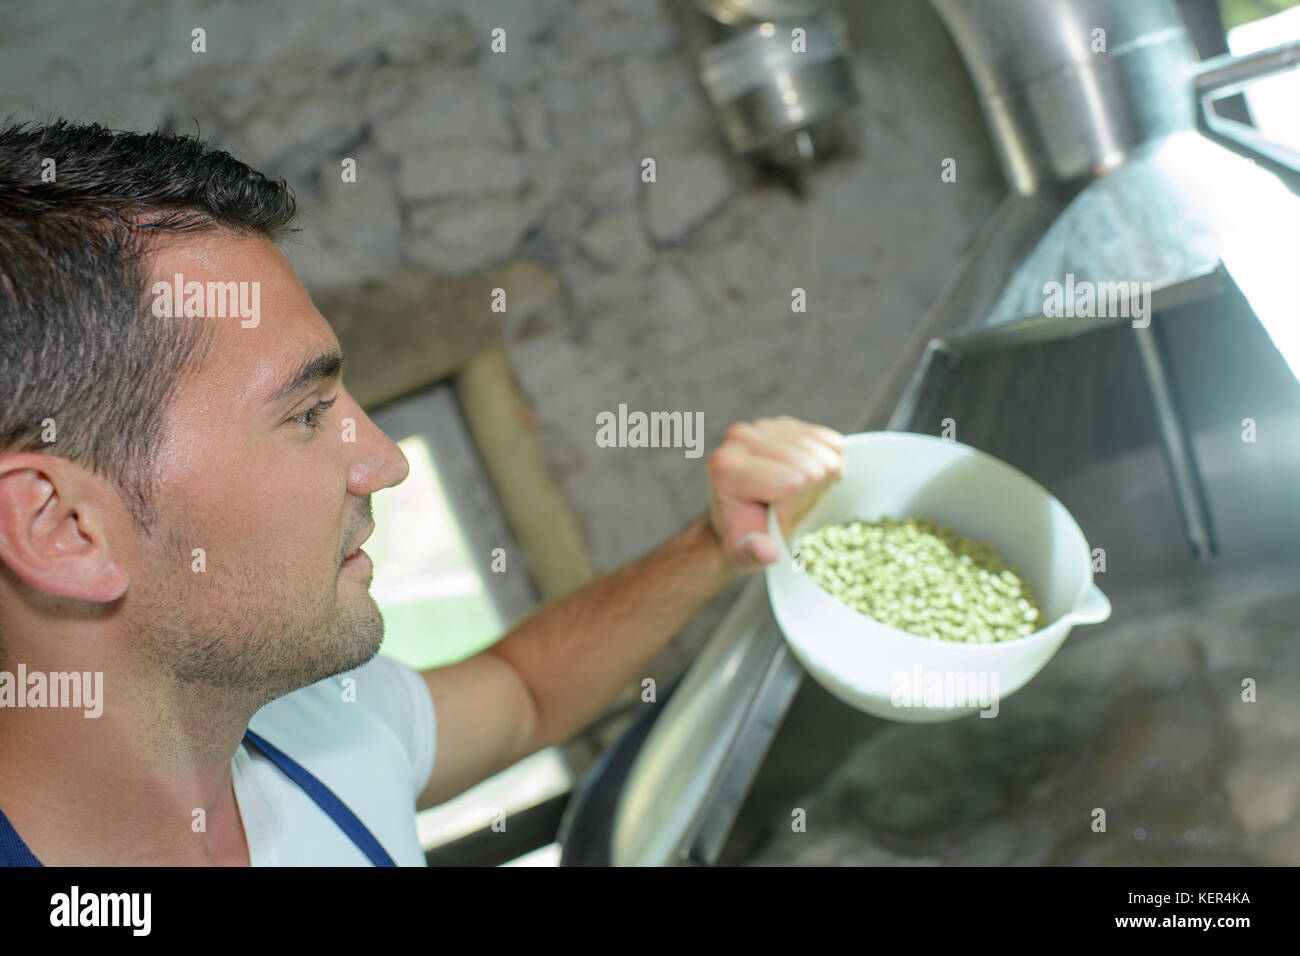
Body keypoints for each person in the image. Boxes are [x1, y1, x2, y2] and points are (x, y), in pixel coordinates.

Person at [0, 120, 844, 866]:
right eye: (305, 413)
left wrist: (712, 544)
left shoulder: (317, 730)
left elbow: (523, 691)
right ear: (64, 528)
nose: (384, 462)